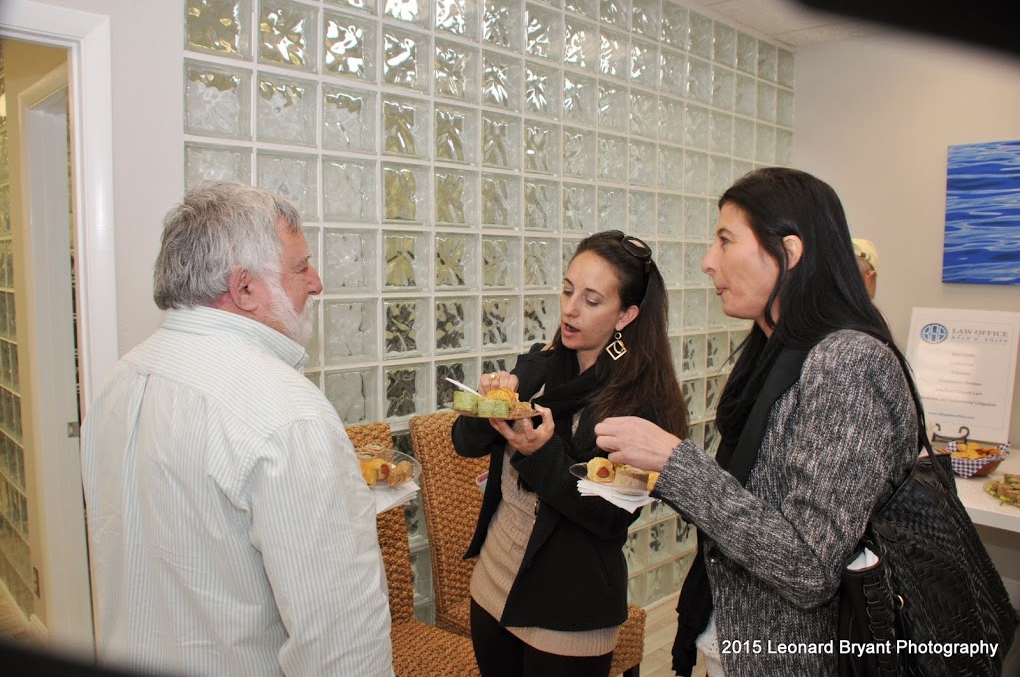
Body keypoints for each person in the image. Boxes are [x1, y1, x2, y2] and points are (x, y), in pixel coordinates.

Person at [595, 168, 922, 676]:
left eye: (725, 240)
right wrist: (656, 471)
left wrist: (676, 462)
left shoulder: (848, 364)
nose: (708, 262)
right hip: (733, 640)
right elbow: (751, 500)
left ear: (788, 253)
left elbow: (809, 566)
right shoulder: (777, 350)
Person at [80, 182, 393, 677]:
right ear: (244, 288)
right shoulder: (289, 415)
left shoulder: (121, 378)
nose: (316, 283)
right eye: (301, 267)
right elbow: (342, 647)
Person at [451, 231, 689, 677]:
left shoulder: (643, 404)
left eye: (592, 300)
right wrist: (488, 407)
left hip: (568, 609)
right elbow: (464, 444)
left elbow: (610, 516)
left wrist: (540, 454)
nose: (570, 309)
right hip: (493, 582)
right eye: (567, 290)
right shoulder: (541, 364)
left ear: (626, 315)